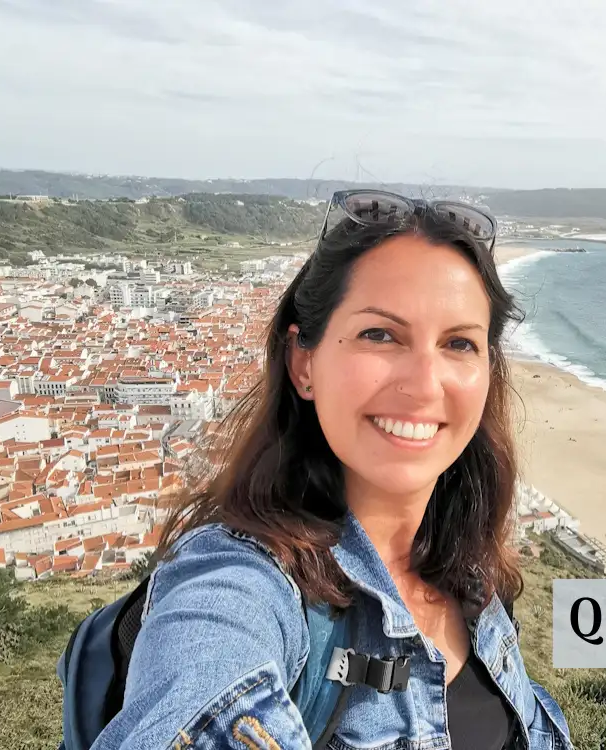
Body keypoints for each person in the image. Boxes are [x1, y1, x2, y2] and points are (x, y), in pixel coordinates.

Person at [89, 190, 573, 749]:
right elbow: (202, 685)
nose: (423, 384)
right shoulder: (240, 584)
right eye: (380, 334)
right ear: (304, 363)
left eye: (459, 343)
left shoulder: (474, 573)